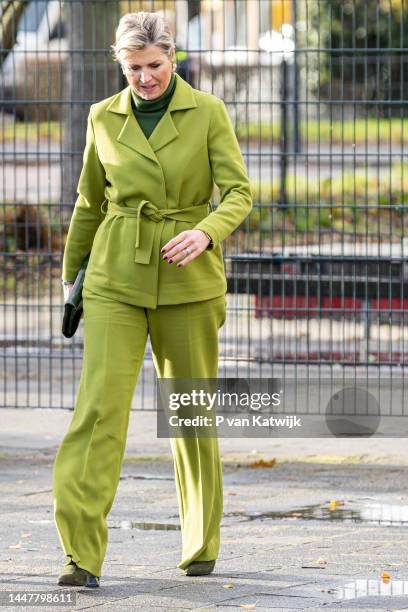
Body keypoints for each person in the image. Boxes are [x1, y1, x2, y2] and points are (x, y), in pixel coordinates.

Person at [52, 10, 252, 588]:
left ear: (173, 58)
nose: (144, 78)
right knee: (98, 412)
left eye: (155, 66)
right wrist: (73, 279)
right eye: (133, 68)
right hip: (115, 273)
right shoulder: (99, 117)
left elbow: (238, 190)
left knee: (188, 410)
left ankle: (200, 543)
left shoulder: (208, 111)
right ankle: (80, 554)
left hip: (188, 275)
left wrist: (207, 230)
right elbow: (90, 203)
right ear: (120, 63)